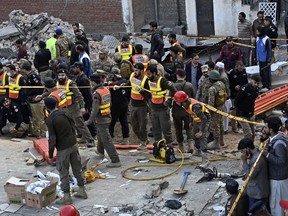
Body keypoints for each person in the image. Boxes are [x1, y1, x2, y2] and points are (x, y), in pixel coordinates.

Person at [44, 97, 88, 205]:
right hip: (73, 144)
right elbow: (73, 125)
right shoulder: (64, 113)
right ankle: (82, 190)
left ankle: (67, 196)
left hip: (63, 148)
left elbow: (52, 139)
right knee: (77, 168)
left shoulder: (50, 119)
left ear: (46, 107)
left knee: (63, 171)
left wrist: (50, 155)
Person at [85, 74, 121, 168]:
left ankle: (115, 160)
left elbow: (95, 109)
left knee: (106, 140)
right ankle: (100, 151)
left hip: (102, 119)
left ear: (93, 82)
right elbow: (110, 103)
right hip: (107, 115)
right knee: (101, 134)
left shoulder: (96, 93)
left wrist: (89, 121)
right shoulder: (106, 89)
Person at [56, 65, 95, 148]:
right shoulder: (57, 83)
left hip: (73, 107)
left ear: (66, 75)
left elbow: (79, 96)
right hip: (63, 108)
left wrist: (82, 107)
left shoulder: (71, 83)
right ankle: (73, 140)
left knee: (80, 124)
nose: (61, 77)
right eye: (59, 75)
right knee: (69, 125)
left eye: (62, 75)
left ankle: (90, 140)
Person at [173, 91, 210, 167]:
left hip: (204, 120)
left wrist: (201, 131)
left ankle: (205, 160)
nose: (176, 103)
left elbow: (204, 119)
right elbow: (190, 113)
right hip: (197, 120)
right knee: (194, 136)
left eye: (177, 101)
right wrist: (191, 121)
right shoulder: (185, 104)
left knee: (202, 138)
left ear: (182, 101)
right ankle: (198, 151)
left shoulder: (195, 106)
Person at [262, 116, 288, 216]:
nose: (264, 129)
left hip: (278, 180)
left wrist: (267, 154)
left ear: (271, 130)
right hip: (280, 179)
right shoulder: (278, 138)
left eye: (266, 128)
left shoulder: (279, 143)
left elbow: (281, 161)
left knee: (277, 207)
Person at [146, 64, 176, 145]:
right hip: (154, 108)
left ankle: (169, 146)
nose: (147, 76)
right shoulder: (149, 81)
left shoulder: (162, 81)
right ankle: (158, 146)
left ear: (154, 73)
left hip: (163, 109)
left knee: (166, 129)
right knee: (156, 129)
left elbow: (173, 89)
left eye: (149, 74)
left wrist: (168, 101)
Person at [238, 138, 269, 211]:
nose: (242, 153)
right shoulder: (256, 154)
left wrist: (244, 162)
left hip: (258, 194)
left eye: (242, 151)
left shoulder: (257, 160)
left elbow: (250, 175)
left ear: (247, 149)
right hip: (256, 191)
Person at [126, 63, 150, 149]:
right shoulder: (132, 75)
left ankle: (143, 142)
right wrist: (120, 86)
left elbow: (148, 95)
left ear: (141, 71)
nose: (134, 72)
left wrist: (140, 90)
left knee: (142, 125)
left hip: (142, 105)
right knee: (134, 125)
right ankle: (143, 139)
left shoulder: (145, 80)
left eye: (136, 70)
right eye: (134, 70)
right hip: (133, 103)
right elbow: (129, 84)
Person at [170, 69, 194, 153]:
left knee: (178, 128)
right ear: (185, 76)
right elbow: (193, 98)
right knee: (189, 127)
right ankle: (191, 144)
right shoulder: (189, 85)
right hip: (187, 110)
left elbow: (169, 100)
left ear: (177, 76)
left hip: (176, 111)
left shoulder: (173, 86)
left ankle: (181, 146)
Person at [22, 62, 46, 138]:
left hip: (37, 100)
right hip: (31, 100)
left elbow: (39, 88)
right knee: (35, 118)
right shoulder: (28, 76)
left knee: (40, 118)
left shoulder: (33, 76)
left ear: (24, 69)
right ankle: (36, 132)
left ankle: (43, 133)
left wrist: (33, 95)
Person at [73, 62, 96, 139]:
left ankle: (93, 135)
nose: (74, 69)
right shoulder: (79, 78)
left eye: (75, 68)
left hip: (85, 103)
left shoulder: (83, 79)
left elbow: (87, 94)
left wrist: (86, 106)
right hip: (80, 102)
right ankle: (83, 135)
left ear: (78, 68)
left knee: (87, 119)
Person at [234, 74, 260, 141]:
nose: (256, 84)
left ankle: (251, 148)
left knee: (253, 134)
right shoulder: (245, 89)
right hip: (242, 115)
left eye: (258, 83)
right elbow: (237, 100)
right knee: (248, 134)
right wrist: (238, 110)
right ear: (251, 80)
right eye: (255, 82)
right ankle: (246, 149)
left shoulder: (256, 90)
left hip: (251, 114)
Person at [107, 72, 130, 145]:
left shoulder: (113, 85)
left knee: (111, 122)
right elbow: (129, 93)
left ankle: (110, 139)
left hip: (115, 106)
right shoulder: (126, 82)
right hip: (124, 104)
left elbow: (109, 95)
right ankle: (126, 139)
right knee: (124, 122)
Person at [207, 70, 226, 150]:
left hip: (215, 109)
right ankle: (221, 141)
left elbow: (211, 102)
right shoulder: (221, 84)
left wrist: (208, 111)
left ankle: (216, 142)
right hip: (221, 107)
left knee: (215, 126)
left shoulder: (212, 88)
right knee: (221, 123)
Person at [228, 60, 248, 133]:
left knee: (241, 111)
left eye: (242, 68)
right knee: (234, 111)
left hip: (242, 94)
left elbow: (246, 83)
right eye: (239, 68)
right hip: (234, 94)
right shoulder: (232, 73)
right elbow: (229, 83)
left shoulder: (244, 72)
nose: (241, 69)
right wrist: (234, 87)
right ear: (236, 67)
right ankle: (234, 127)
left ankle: (241, 125)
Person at [255, 25, 272, 91]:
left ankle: (268, 86)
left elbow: (269, 50)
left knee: (267, 74)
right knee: (261, 73)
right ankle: (264, 84)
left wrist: (268, 60)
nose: (257, 33)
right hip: (260, 59)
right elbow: (256, 48)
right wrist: (255, 57)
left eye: (258, 32)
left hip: (265, 60)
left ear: (261, 32)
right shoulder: (257, 38)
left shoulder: (266, 39)